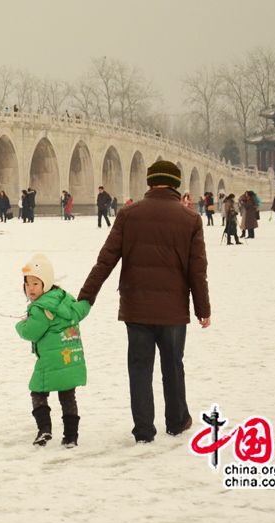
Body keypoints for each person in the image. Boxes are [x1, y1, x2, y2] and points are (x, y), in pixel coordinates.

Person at [77, 160, 210, 444]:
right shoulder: (190, 220)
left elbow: (106, 260)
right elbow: (197, 271)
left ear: (149, 183)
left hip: (136, 307)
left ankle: (143, 431)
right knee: (173, 366)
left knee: (139, 368)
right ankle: (176, 421)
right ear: (175, 184)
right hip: (173, 310)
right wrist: (203, 309)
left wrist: (86, 297)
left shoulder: (129, 214)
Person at [16, 254, 90, 447]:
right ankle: (71, 436)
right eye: (27, 284)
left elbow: (31, 333)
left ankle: (44, 429)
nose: (30, 289)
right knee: (67, 396)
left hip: (49, 362)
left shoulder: (40, 308)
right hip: (70, 359)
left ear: (46, 284)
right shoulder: (65, 299)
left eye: (35, 284)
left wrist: (20, 325)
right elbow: (81, 309)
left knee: (37, 392)